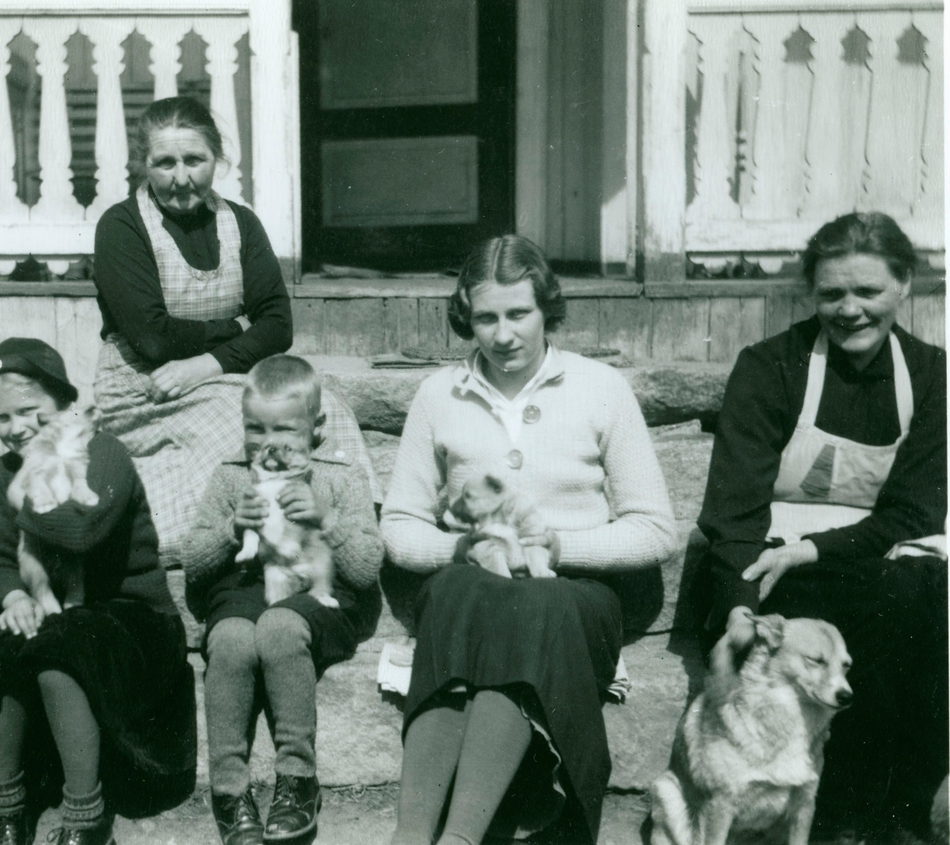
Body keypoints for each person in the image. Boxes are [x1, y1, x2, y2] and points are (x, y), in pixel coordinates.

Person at [380, 236, 677, 845]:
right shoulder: (440, 393)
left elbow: (654, 529)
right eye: (486, 317)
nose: (503, 334)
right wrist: (459, 550)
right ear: (467, 315)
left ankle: (457, 838)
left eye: (519, 314)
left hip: (573, 592)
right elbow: (401, 526)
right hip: (473, 584)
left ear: (546, 310)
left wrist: (560, 547)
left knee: (535, 608)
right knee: (465, 592)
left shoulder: (599, 387)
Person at [699, 212, 947, 840]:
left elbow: (915, 511)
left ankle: (894, 815)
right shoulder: (770, 367)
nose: (850, 310)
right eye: (832, 293)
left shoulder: (932, 375)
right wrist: (738, 606)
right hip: (768, 565)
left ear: (905, 287)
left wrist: (814, 549)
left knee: (920, 608)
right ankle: (837, 822)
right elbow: (733, 510)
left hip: (872, 559)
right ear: (812, 294)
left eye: (868, 292)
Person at [92, 97, 378, 566]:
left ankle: (355, 529)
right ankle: (238, 544)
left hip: (216, 377)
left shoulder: (240, 222)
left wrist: (205, 362)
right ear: (144, 164)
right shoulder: (121, 227)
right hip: (144, 390)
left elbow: (279, 325)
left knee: (325, 409)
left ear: (218, 159)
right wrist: (236, 327)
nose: (181, 178)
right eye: (165, 163)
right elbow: (153, 338)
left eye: (194, 160)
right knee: (234, 425)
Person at [0, 338, 196, 845]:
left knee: (57, 652)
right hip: (61, 611)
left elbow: (81, 530)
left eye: (30, 411)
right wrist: (13, 598)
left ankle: (84, 818)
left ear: (64, 404)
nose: (16, 428)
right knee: (8, 647)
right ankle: (7, 813)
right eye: (0, 418)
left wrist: (25, 490)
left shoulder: (103, 454)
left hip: (133, 617)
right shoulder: (5, 471)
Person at [183, 355, 384, 845]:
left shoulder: (340, 477)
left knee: (278, 628)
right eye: (255, 428)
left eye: (285, 430)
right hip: (249, 589)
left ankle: (297, 780)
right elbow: (194, 562)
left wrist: (327, 519)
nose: (269, 443)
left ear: (315, 428)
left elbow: (364, 567)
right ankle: (229, 790)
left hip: (322, 594)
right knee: (230, 639)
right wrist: (233, 530)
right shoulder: (232, 477)